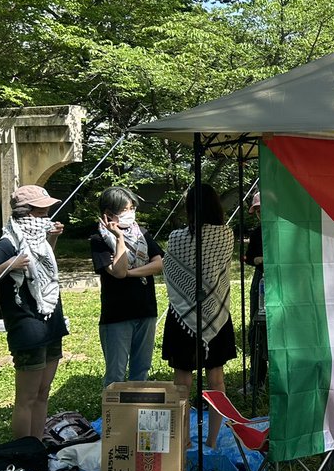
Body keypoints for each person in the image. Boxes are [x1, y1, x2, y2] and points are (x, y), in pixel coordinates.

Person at [0, 184, 68, 439]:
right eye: (42, 211)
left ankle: (36, 445)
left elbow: (40, 267)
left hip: (50, 319)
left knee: (43, 392)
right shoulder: (7, 243)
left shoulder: (39, 238)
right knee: (26, 397)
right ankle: (23, 451)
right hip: (27, 327)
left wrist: (53, 238)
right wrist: (8, 264)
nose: (47, 216)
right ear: (28, 212)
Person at [161, 184, 237, 447]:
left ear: (190, 207)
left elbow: (168, 269)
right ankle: (213, 440)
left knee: (182, 381)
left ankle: (183, 441)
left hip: (183, 315)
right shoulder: (226, 235)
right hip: (216, 314)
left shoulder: (177, 237)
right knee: (217, 379)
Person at [90, 186, 164, 388]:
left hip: (146, 310)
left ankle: (136, 414)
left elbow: (159, 264)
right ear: (108, 214)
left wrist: (130, 273)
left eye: (131, 208)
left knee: (141, 369)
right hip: (117, 316)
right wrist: (119, 238)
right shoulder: (99, 240)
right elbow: (119, 271)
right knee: (116, 374)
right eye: (124, 210)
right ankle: (115, 418)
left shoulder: (142, 234)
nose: (130, 213)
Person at [243, 191, 268, 390]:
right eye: (257, 211)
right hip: (261, 281)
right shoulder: (257, 233)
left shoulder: (286, 230)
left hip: (285, 282)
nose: (260, 213)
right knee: (256, 328)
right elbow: (249, 258)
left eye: (263, 209)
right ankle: (256, 380)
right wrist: (258, 260)